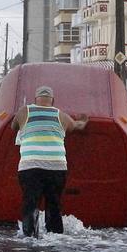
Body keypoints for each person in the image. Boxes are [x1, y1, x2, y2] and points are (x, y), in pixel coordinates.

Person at [9, 84, 88, 237]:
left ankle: (30, 237)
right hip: (57, 168)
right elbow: (78, 126)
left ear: (35, 99)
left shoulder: (25, 111)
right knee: (54, 204)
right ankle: (55, 236)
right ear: (52, 100)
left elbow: (13, 127)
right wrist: (84, 120)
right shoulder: (61, 115)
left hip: (31, 167)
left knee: (30, 204)